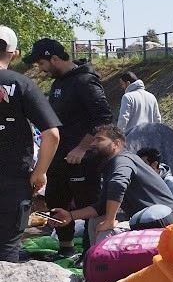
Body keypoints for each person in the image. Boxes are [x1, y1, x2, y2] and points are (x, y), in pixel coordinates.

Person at [25, 38, 113, 255]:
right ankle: (65, 249)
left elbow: (104, 117)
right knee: (56, 201)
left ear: (54, 59)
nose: (41, 69)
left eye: (42, 64)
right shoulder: (59, 83)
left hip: (83, 161)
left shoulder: (85, 81)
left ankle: (90, 253)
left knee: (86, 205)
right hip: (59, 158)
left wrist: (82, 148)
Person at [50, 125, 173, 246]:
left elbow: (118, 183)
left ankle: (103, 269)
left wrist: (110, 220)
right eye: (93, 140)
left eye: (99, 140)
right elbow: (101, 207)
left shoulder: (123, 159)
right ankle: (93, 261)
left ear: (116, 143)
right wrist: (70, 215)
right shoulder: (109, 166)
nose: (93, 144)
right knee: (95, 221)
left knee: (106, 232)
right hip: (148, 220)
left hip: (166, 220)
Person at [0, 26, 61, 262]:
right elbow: (51, 134)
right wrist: (40, 172)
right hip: (13, 180)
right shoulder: (21, 83)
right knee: (6, 249)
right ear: (14, 54)